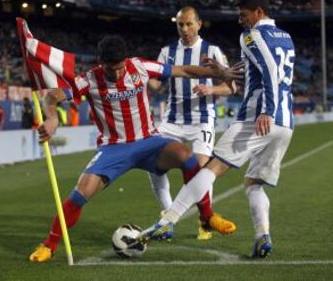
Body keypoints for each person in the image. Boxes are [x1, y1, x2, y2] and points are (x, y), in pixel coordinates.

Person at [29, 35, 243, 262]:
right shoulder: (89, 80)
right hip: (113, 148)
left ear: (125, 61)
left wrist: (219, 74)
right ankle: (49, 245)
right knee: (81, 193)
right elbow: (52, 96)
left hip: (148, 142)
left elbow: (185, 71)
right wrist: (51, 119)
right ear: (101, 63)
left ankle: (206, 217)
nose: (117, 73)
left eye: (120, 68)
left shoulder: (139, 67)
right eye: (111, 70)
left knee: (186, 156)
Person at [142, 0, 295, 259]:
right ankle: (263, 236)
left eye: (243, 15)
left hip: (258, 117)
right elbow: (260, 72)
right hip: (286, 123)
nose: (240, 21)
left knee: (211, 168)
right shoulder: (286, 37)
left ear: (258, 12)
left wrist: (266, 111)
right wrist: (224, 72)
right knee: (253, 182)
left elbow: (270, 72)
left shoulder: (251, 35)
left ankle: (169, 219)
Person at [148, 6, 237, 240]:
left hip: (202, 120)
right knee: (153, 164)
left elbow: (231, 87)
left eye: (189, 24)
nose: (185, 29)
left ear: (199, 24)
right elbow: (156, 84)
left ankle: (204, 220)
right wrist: (143, 78)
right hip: (172, 120)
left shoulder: (212, 51)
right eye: (180, 25)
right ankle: (167, 217)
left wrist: (211, 87)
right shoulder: (166, 52)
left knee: (200, 169)